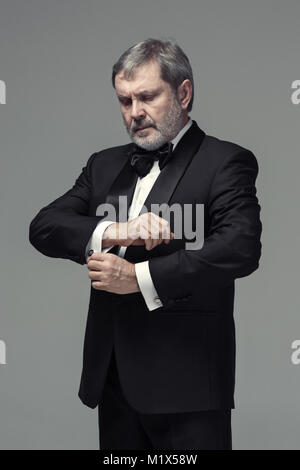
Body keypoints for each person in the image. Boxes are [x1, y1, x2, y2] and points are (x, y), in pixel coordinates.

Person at [29, 38, 262, 450]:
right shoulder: (103, 164)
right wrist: (117, 230)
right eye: (124, 101)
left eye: (147, 97)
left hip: (188, 384)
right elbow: (44, 227)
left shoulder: (225, 161)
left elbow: (240, 247)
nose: (135, 113)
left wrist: (139, 277)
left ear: (184, 93)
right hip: (113, 378)